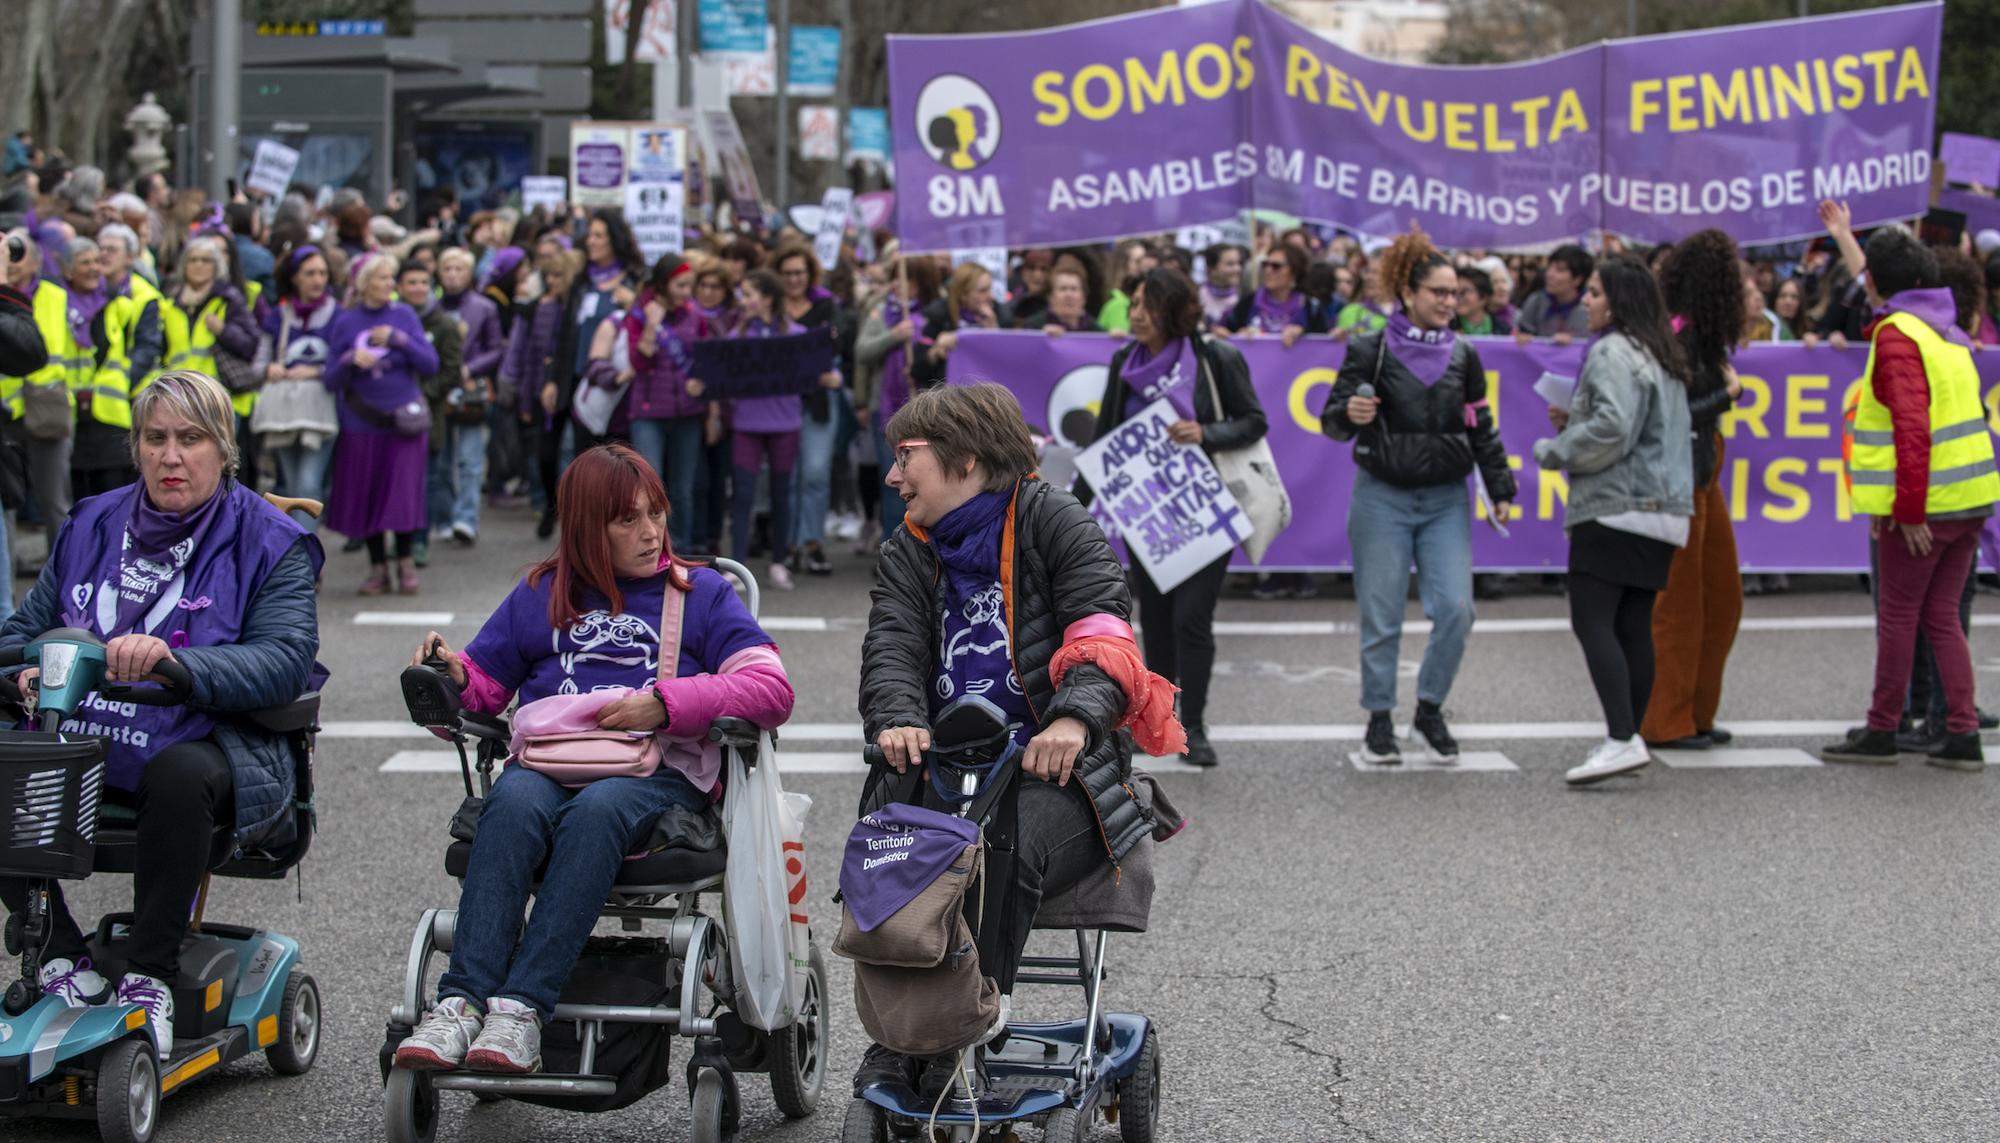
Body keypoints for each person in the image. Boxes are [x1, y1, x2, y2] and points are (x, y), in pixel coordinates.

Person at [392, 444, 794, 1074]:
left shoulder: (702, 594)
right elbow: (485, 687)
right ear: (586, 527)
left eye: (655, 514)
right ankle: (462, 1004)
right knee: (512, 802)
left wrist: (665, 703)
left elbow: (771, 690)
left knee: (597, 811)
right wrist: (450, 674)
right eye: (627, 520)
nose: (649, 532)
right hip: (552, 761)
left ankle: (522, 1008)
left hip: (658, 772)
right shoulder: (543, 592)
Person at [0, 370, 323, 1059]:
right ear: (136, 445)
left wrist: (179, 665)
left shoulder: (271, 539)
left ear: (224, 447)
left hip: (213, 739)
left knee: (179, 772)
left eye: (191, 438)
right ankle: (61, 952)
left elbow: (285, 658)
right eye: (156, 438)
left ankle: (149, 974)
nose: (171, 456)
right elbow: (23, 630)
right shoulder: (91, 520)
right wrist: (29, 665)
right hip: (82, 733)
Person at [857, 382, 1166, 1097]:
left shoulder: (1055, 521)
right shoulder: (910, 546)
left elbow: (1105, 635)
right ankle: (899, 1038)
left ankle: (966, 1022)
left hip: (1061, 779)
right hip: (945, 768)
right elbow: (892, 648)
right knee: (887, 848)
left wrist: (1071, 718)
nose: (893, 475)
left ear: (965, 460)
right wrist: (897, 715)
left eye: (908, 457)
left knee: (995, 847)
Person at [1323, 231, 1516, 764]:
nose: (1449, 302)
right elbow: (1333, 420)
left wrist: (1500, 487)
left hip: (1445, 500)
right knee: (1382, 616)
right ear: (1408, 293)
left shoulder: (1466, 354)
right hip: (1381, 497)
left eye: (1454, 293)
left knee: (1457, 610)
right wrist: (1349, 415)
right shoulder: (1370, 348)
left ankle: (1429, 708)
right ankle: (1379, 719)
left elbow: (1482, 426)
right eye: (1439, 292)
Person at [1821, 227, 2000, 770]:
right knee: (1943, 616)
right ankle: (1960, 732)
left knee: (1900, 617)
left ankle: (1882, 729)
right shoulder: (1946, 330)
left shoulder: (1898, 334)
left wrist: (1907, 511)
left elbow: (1911, 428)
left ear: (1873, 281)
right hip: (1969, 498)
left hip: (1930, 504)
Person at [1087, 268, 1266, 768]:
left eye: (1146, 304)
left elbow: (1254, 421)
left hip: (1203, 509)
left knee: (1192, 619)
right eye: (1134, 304)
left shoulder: (1214, 358)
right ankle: (1160, 719)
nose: (1136, 314)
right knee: (1159, 620)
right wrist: (1067, 509)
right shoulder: (1126, 361)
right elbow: (1104, 438)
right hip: (1148, 515)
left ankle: (1197, 724)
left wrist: (1205, 433)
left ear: (1173, 309)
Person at [1534, 256, 1693, 786]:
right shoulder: (1660, 352)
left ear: (1619, 301)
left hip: (1617, 506)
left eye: (1597, 293)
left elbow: (1611, 428)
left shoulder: (1611, 351)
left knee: (1593, 619)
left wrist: (1557, 448)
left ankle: (1622, 737)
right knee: (1633, 625)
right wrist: (1577, 418)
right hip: (1664, 511)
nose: (1586, 300)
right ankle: (1628, 734)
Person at [1641, 230, 1746, 751]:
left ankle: (1696, 711)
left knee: (1721, 597)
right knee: (1679, 603)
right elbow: (1669, 417)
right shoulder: (1677, 338)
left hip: (1704, 470)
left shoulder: (1697, 335)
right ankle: (1665, 718)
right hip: (1680, 474)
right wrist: (1726, 395)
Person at [323, 253, 439, 595]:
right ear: (364, 283)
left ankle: (404, 562)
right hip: (361, 422)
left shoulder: (403, 315)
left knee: (402, 495)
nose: (390, 284)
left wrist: (399, 339)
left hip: (403, 422)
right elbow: (330, 379)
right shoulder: (346, 321)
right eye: (382, 278)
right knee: (367, 495)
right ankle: (377, 569)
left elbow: (429, 364)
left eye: (391, 278)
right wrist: (348, 360)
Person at [691, 268, 812, 591]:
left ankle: (778, 562)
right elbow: (718, 376)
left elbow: (820, 370)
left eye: (750, 294)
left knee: (780, 494)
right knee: (742, 495)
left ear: (768, 297)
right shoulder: (735, 338)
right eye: (743, 295)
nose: (744, 301)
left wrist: (830, 377)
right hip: (747, 424)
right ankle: (738, 566)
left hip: (785, 423)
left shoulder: (796, 334)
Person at [852, 256, 941, 545]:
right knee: (895, 479)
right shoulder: (882, 311)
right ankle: (893, 546)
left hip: (929, 410)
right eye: (894, 278)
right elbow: (862, 351)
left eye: (903, 278)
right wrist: (893, 336)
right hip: (888, 408)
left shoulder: (935, 313)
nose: (896, 284)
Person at [625, 255, 711, 554]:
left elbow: (704, 358)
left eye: (691, 284)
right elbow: (637, 360)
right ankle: (651, 550)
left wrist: (701, 383)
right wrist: (651, 324)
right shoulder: (639, 314)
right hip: (649, 413)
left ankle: (681, 551)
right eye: (681, 284)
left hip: (687, 412)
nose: (688, 291)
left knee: (683, 488)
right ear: (663, 284)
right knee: (650, 487)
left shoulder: (695, 316)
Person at [251, 245, 341, 528]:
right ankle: (298, 552)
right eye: (310, 273)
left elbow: (345, 362)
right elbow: (259, 362)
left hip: (322, 409)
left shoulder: (339, 316)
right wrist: (270, 369)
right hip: (285, 410)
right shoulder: (278, 317)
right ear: (295, 278)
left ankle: (305, 555)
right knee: (290, 485)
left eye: (322, 273)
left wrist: (316, 371)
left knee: (308, 482)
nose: (317, 280)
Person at [775, 245, 844, 577]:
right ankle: (787, 545)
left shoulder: (825, 306)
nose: (793, 279)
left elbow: (837, 348)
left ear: (809, 274)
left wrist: (835, 373)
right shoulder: (772, 309)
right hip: (780, 402)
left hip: (817, 401)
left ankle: (812, 542)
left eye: (799, 273)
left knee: (815, 473)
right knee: (787, 476)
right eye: (787, 273)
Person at [58, 236, 138, 499]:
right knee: (81, 503)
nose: (94, 268)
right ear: (68, 270)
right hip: (71, 417)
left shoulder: (119, 304)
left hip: (110, 417)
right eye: (85, 262)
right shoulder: (57, 306)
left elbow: (137, 350)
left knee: (115, 502)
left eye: (97, 261)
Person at [401, 260, 464, 569]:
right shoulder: (392, 321)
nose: (418, 288)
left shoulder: (445, 325)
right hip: (391, 419)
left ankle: (419, 541)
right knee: (397, 483)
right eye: (411, 282)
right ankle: (396, 542)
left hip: (427, 417)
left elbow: (452, 371)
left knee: (426, 481)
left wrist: (420, 394)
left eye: (423, 283)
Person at [439, 247, 501, 546]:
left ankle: (466, 518)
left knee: (469, 458)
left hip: (470, 391)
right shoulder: (431, 307)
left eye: (458, 269)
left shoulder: (484, 307)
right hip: (439, 389)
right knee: (442, 460)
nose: (452, 274)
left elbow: (495, 349)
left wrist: (470, 367)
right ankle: (445, 517)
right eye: (447, 268)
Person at [914, 262, 1003, 385]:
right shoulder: (939, 318)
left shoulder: (1001, 315)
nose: (990, 296)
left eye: (990, 289)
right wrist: (936, 351)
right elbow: (916, 371)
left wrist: (996, 334)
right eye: (983, 291)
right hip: (950, 396)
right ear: (963, 295)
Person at [1225, 244, 1325, 347]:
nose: (1268, 270)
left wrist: (1304, 333)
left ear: (1295, 272)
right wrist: (1237, 334)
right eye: (1265, 265)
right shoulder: (1249, 302)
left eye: (1276, 266)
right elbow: (1224, 332)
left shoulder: (1311, 308)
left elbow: (1324, 345)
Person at [1515, 244, 1595, 342]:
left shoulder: (1591, 307)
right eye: (1549, 267)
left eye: (1559, 270)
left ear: (1578, 279)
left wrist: (1573, 343)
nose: (1550, 274)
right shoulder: (1536, 301)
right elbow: (1523, 334)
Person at [1039, 264, 1100, 336]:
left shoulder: (1097, 332)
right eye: (1063, 289)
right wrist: (1041, 338)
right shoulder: (1033, 328)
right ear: (1050, 297)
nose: (1068, 295)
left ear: (1084, 297)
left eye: (1074, 289)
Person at [1450, 266, 1512, 336]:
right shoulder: (1448, 328)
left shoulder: (1502, 330)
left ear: (1484, 297)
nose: (1458, 297)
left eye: (1465, 291)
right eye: (1455, 292)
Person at [1199, 243, 1246, 330]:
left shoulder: (1247, 300)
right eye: (1230, 264)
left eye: (1239, 263)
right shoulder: (1196, 297)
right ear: (1211, 269)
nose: (1237, 269)